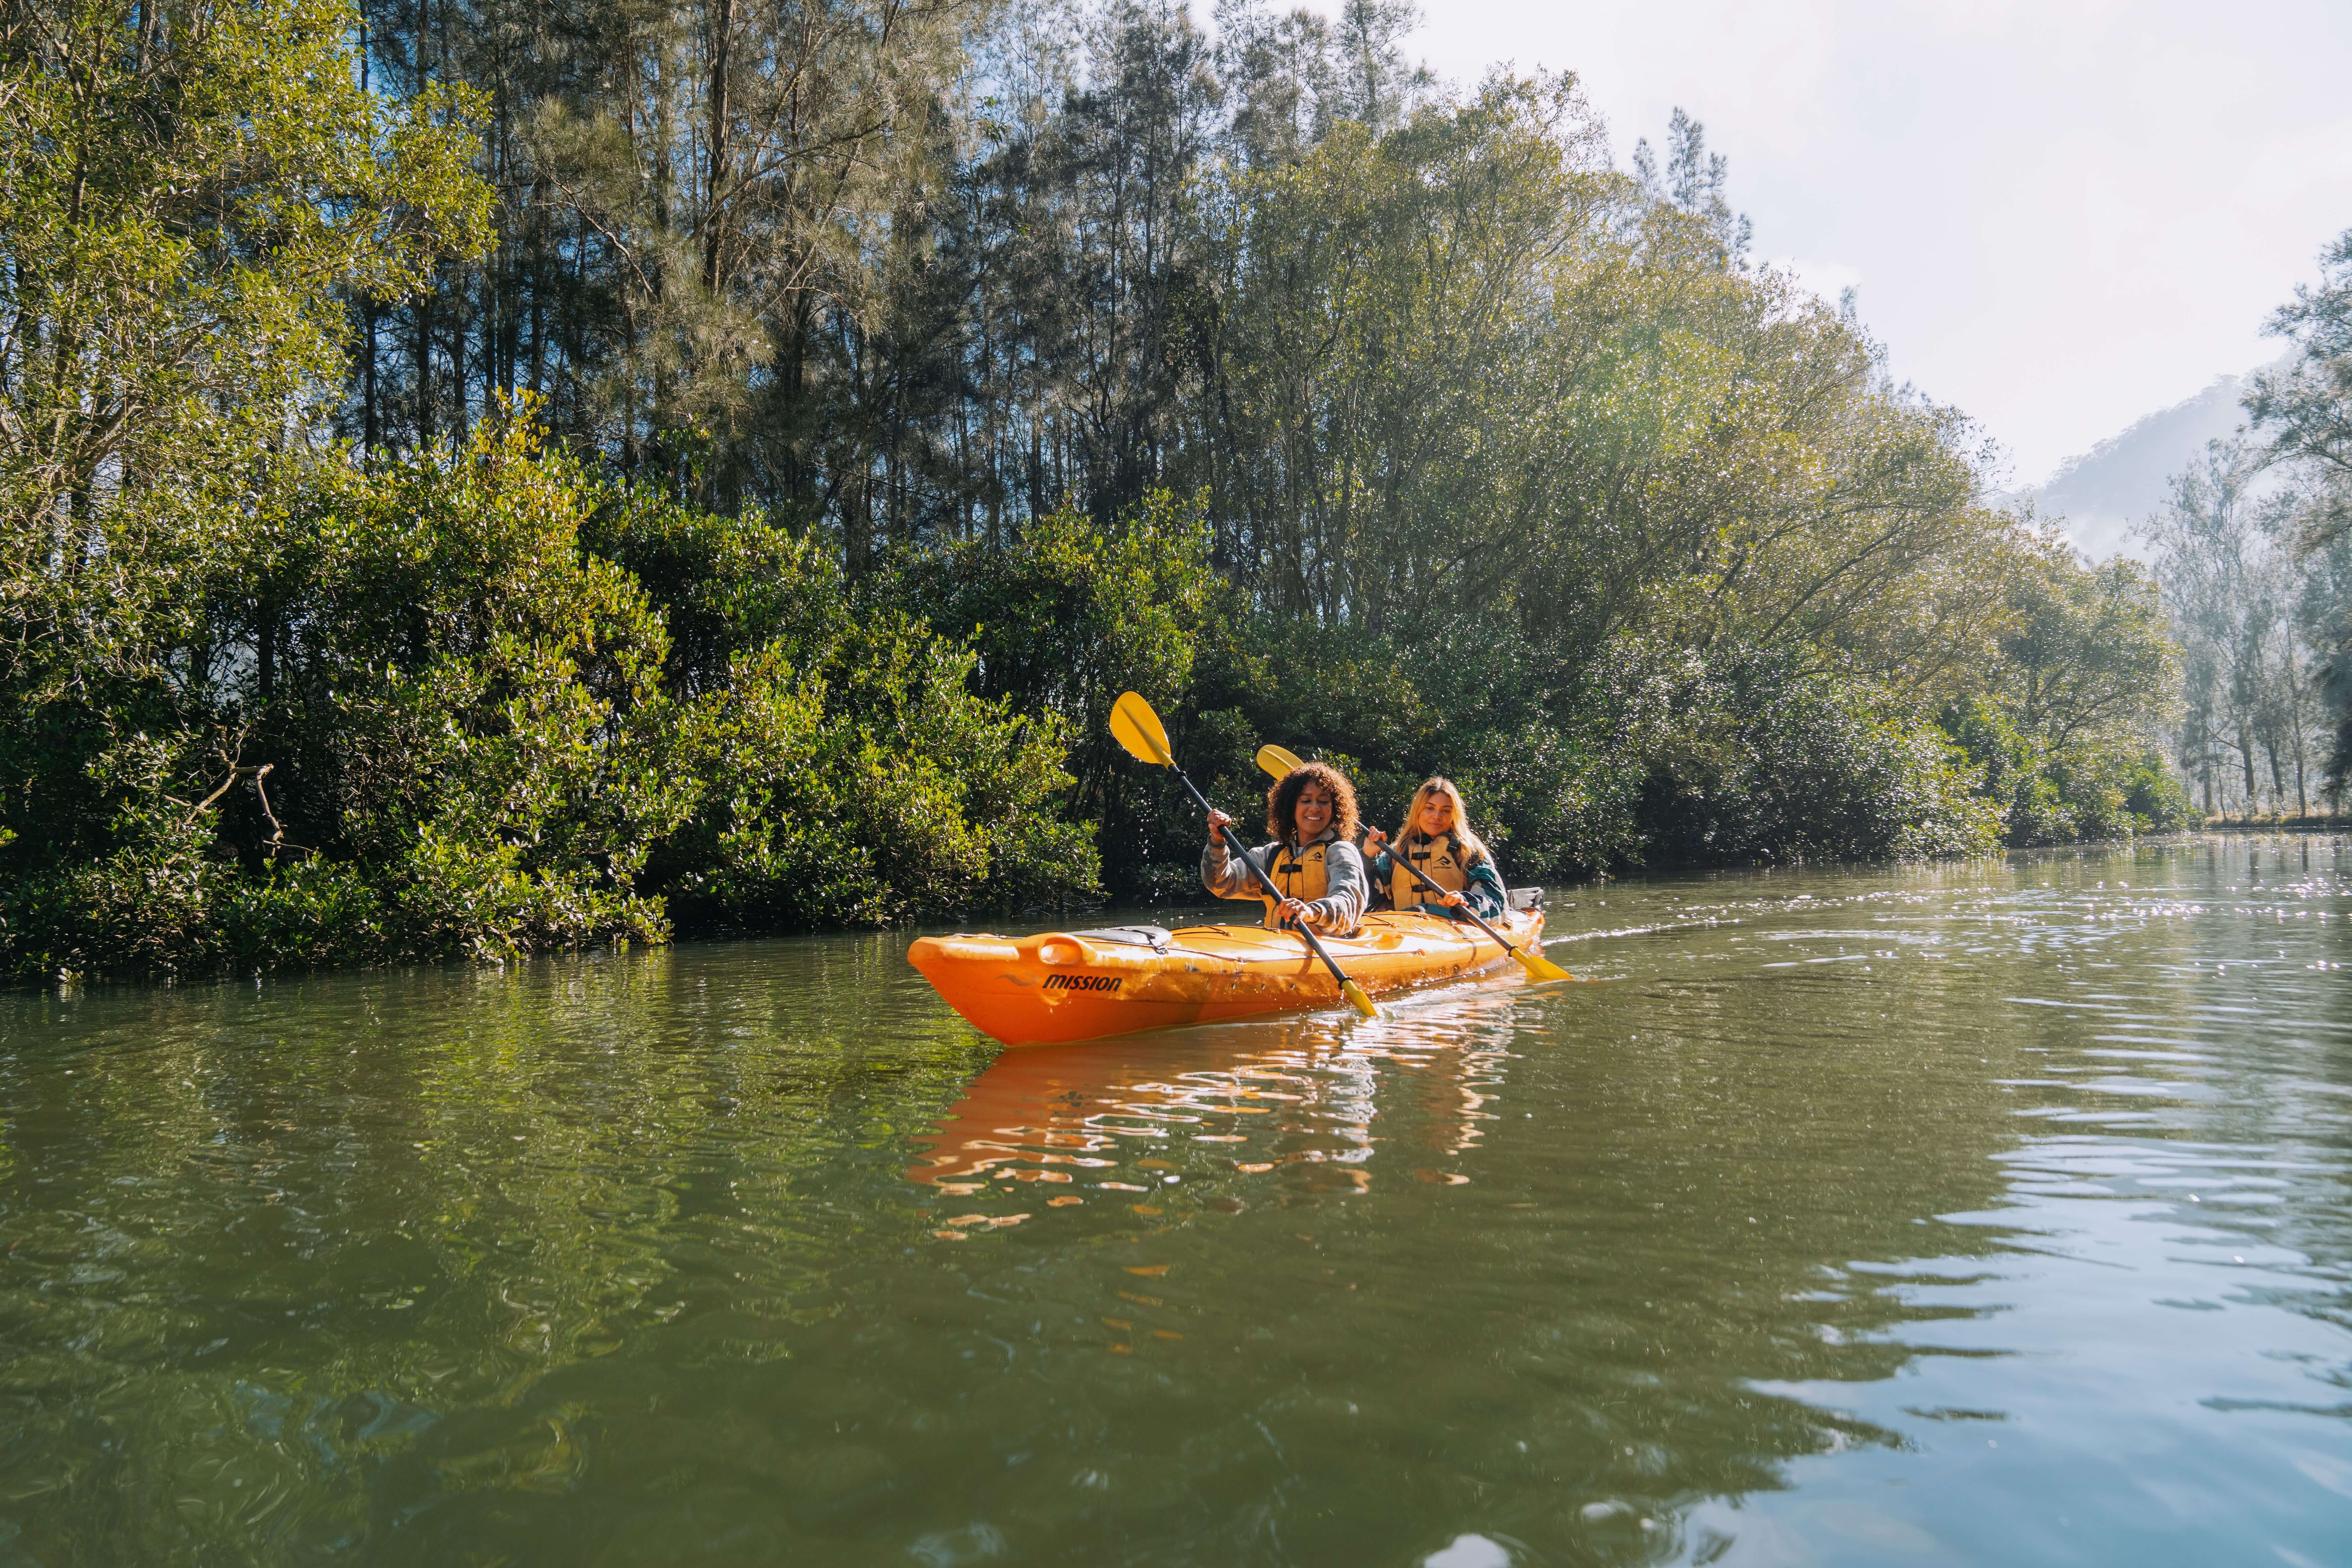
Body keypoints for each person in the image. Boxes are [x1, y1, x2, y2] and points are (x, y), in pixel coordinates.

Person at [1202, 761, 1369, 935]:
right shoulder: (1270, 855)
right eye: (1306, 800)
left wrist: (1312, 912)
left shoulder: (1340, 852)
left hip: (1329, 947)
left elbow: (1348, 901)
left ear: (1334, 809)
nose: (1315, 808)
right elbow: (1220, 885)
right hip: (1278, 947)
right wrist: (1217, 841)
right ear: (1291, 807)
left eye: (1324, 801)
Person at [1363, 777, 1506, 924]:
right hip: (1404, 928)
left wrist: (1466, 901)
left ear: (1454, 816)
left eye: (1446, 811)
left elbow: (1495, 903)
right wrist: (1368, 856)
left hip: (1453, 930)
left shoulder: (1469, 853)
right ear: (1418, 811)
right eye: (1430, 808)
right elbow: (1365, 898)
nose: (1437, 817)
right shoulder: (1394, 854)